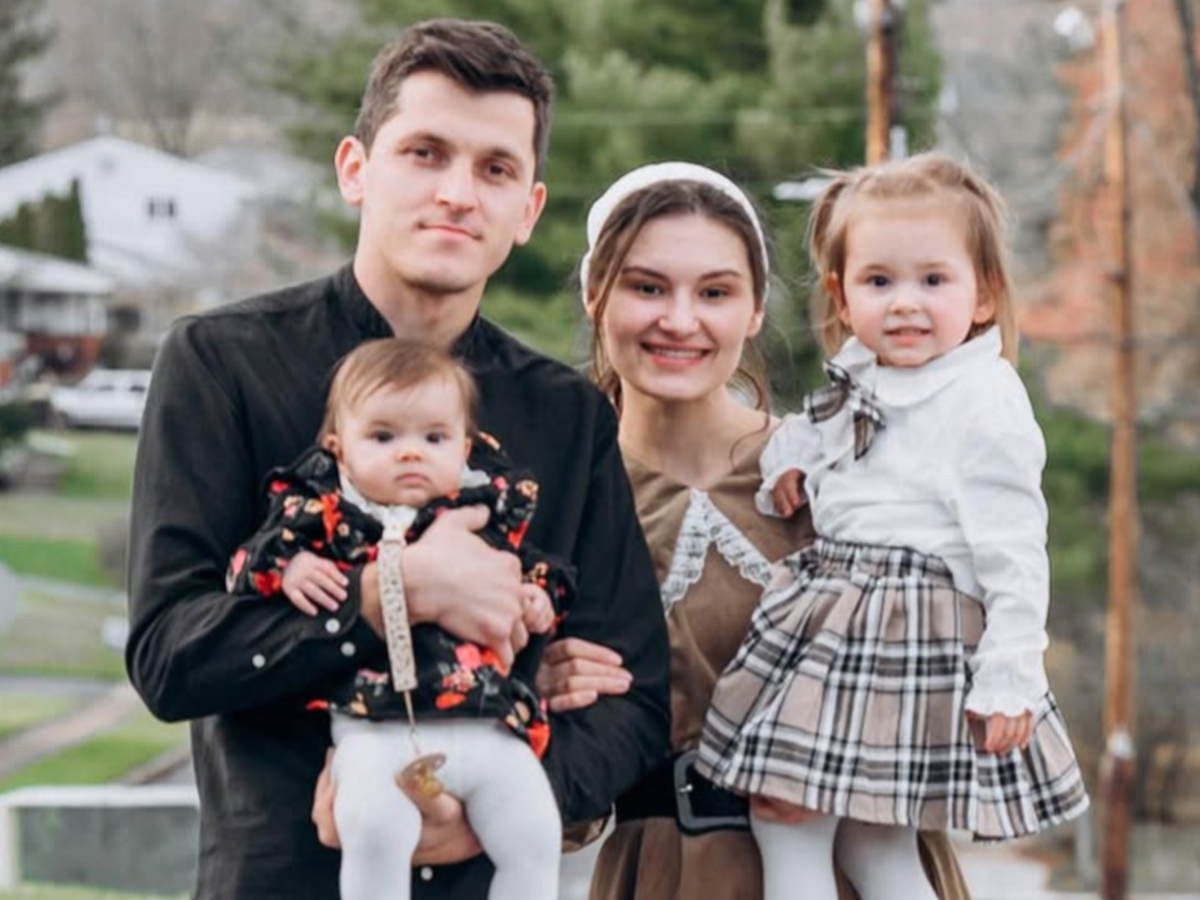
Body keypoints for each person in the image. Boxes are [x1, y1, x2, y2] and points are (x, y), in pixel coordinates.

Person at [125, 19, 670, 900]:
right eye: (425, 153)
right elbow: (168, 655)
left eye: (495, 169)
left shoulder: (566, 416)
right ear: (356, 170)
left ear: (528, 211)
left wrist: (495, 808)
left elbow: (636, 703)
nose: (458, 193)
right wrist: (390, 595)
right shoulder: (222, 365)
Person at [535, 161, 973, 900]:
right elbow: (552, 810)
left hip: (858, 866)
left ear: (756, 309)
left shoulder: (840, 470)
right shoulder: (556, 506)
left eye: (715, 292)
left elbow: (958, 678)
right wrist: (536, 704)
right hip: (671, 877)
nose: (681, 320)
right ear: (594, 292)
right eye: (647, 287)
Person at [695, 153, 1090, 900]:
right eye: (880, 282)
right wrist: (793, 465)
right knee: (872, 843)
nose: (905, 303)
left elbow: (1015, 550)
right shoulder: (863, 377)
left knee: (787, 816)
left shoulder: (982, 397)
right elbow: (816, 441)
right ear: (842, 299)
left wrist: (1010, 675)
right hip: (839, 613)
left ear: (983, 295)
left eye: (933, 280)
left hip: (903, 629)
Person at [226, 339, 569, 900]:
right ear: (340, 451)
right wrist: (289, 567)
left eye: (434, 438)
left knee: (534, 830)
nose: (411, 454)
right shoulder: (328, 518)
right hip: (374, 724)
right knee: (372, 825)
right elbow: (244, 564)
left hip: (483, 718)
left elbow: (534, 568)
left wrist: (537, 596)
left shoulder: (482, 517)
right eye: (384, 437)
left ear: (464, 448)